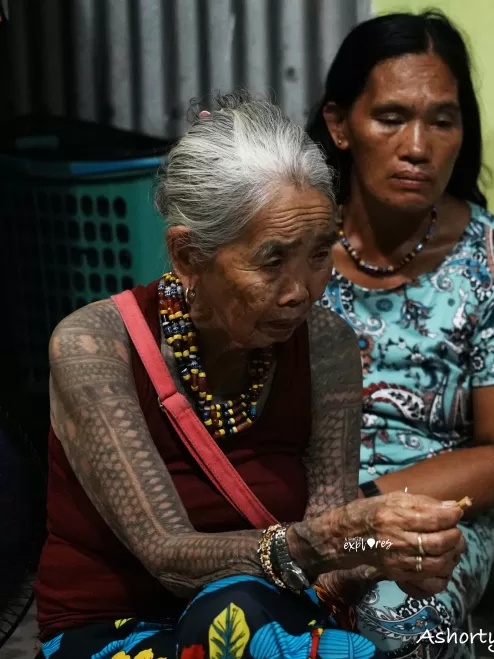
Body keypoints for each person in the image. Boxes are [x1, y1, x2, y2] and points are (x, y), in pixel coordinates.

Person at [34, 91, 468, 659]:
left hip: (267, 609)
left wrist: (385, 554)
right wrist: (335, 538)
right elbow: (166, 555)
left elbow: (328, 570)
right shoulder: (94, 347)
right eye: (272, 260)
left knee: (425, 632)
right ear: (189, 257)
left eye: (318, 255)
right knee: (236, 626)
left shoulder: (326, 345)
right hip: (118, 630)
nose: (301, 291)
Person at [307, 10, 494, 658]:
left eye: (443, 121)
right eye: (391, 117)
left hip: (429, 513)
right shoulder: (295, 243)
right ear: (341, 125)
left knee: (397, 624)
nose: (418, 147)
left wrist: (363, 510)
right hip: (292, 495)